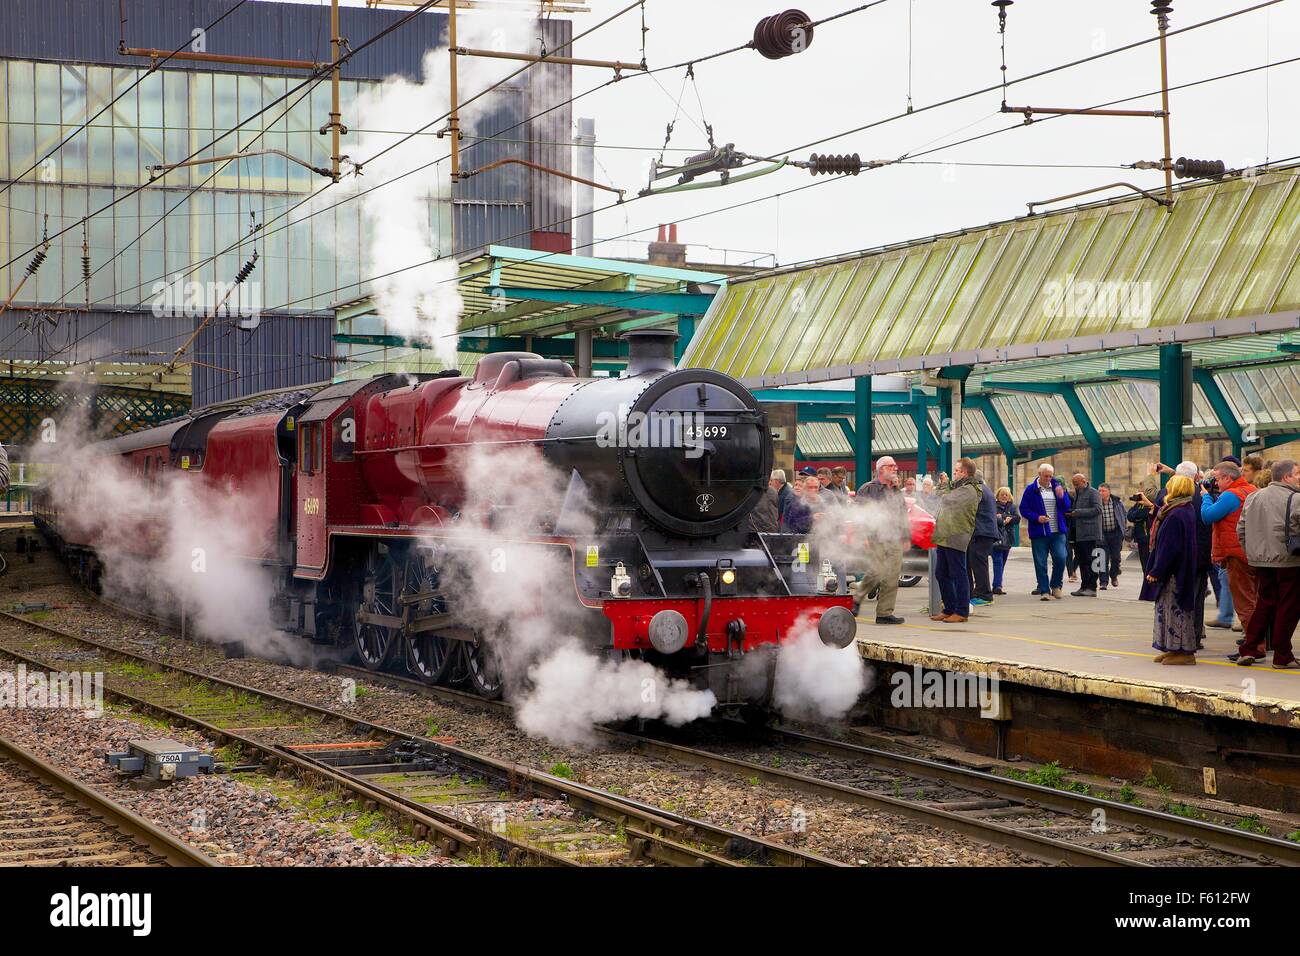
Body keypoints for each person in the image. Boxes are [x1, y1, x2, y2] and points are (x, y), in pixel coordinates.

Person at [1235, 460, 1300, 669]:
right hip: (1290, 560)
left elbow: (1241, 528)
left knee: (1265, 603)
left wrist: (1251, 553)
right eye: (1298, 473)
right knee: (1288, 606)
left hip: (1261, 560)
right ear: (1286, 477)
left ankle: (1249, 648)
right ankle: (1282, 655)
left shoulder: (1254, 496)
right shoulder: (1296, 498)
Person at [1140, 475, 1202, 665]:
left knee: (1176, 610)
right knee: (1168, 609)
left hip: (1174, 572)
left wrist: (1156, 571)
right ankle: (1171, 648)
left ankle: (1184, 651)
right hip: (1180, 569)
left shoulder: (1176, 514)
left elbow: (1169, 547)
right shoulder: (1182, 508)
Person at [1201, 460, 1258, 636]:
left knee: (1243, 602)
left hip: (1235, 554)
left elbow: (1207, 516)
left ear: (1227, 477)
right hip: (1253, 552)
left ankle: (1254, 646)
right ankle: (1259, 641)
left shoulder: (1230, 495)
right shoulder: (1252, 490)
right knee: (1254, 599)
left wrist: (1206, 497)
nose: (1215, 483)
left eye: (1217, 479)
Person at [851, 456, 908, 625]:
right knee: (876, 571)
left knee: (892, 575)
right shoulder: (868, 489)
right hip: (876, 536)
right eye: (891, 466)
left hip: (895, 537)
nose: (895, 468)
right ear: (882, 469)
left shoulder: (897, 490)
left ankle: (884, 613)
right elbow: (859, 514)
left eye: (895, 466)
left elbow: (902, 514)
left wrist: (906, 536)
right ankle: (857, 598)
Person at [931, 459, 982, 623]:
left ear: (964, 473)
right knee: (941, 573)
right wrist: (944, 484)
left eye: (956, 471)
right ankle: (949, 608)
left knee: (958, 574)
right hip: (945, 535)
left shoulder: (969, 490)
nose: (954, 473)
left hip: (956, 535)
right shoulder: (958, 487)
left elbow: (945, 500)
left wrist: (944, 485)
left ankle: (961, 611)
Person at [1018, 463, 1072, 601]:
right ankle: (1044, 590)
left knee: (1061, 557)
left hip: (1057, 531)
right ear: (1039, 474)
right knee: (1040, 562)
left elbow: (1066, 507)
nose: (1048, 478)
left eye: (1050, 476)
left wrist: (1062, 495)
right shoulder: (1031, 489)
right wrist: (1037, 518)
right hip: (1039, 531)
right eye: (1046, 476)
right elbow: (1024, 509)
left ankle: (1056, 585)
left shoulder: (1057, 487)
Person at [1065, 474, 1103, 597]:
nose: (1075, 486)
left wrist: (1078, 513)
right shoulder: (1078, 493)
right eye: (1074, 484)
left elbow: (1098, 509)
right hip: (1079, 533)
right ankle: (1084, 586)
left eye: (1077, 484)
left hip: (1089, 532)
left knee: (1090, 559)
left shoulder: (1093, 493)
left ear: (1084, 481)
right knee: (1082, 560)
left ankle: (1091, 587)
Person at [967, 471, 1000, 606]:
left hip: (981, 532)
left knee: (979, 564)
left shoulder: (978, 490)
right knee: (977, 563)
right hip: (984, 532)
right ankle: (979, 592)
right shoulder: (985, 489)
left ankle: (985, 595)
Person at [1097, 483, 1128, 589]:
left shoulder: (1117, 502)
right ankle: (1103, 582)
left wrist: (1123, 529)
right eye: (1099, 491)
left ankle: (1113, 575)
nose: (1101, 493)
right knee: (1102, 558)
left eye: (1103, 491)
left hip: (1115, 533)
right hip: (1102, 534)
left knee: (1116, 558)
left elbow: (1124, 515)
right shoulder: (1096, 503)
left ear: (1109, 491)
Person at [992, 486, 1018, 596]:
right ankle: (998, 586)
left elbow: (1017, 518)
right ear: (998, 496)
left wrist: (1010, 518)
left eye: (1006, 495)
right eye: (1002, 494)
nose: (1004, 496)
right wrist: (1003, 517)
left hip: (1008, 538)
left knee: (1002, 562)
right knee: (998, 562)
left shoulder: (1012, 506)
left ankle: (996, 584)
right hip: (996, 538)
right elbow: (992, 518)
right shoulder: (993, 506)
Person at [1127, 491, 1154, 573]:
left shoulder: (1149, 505)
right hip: (1140, 539)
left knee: (1147, 564)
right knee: (1143, 564)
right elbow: (1130, 516)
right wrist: (1138, 517)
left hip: (1147, 539)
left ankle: (1148, 582)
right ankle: (1146, 580)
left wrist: (1137, 516)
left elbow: (1143, 514)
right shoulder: (1138, 505)